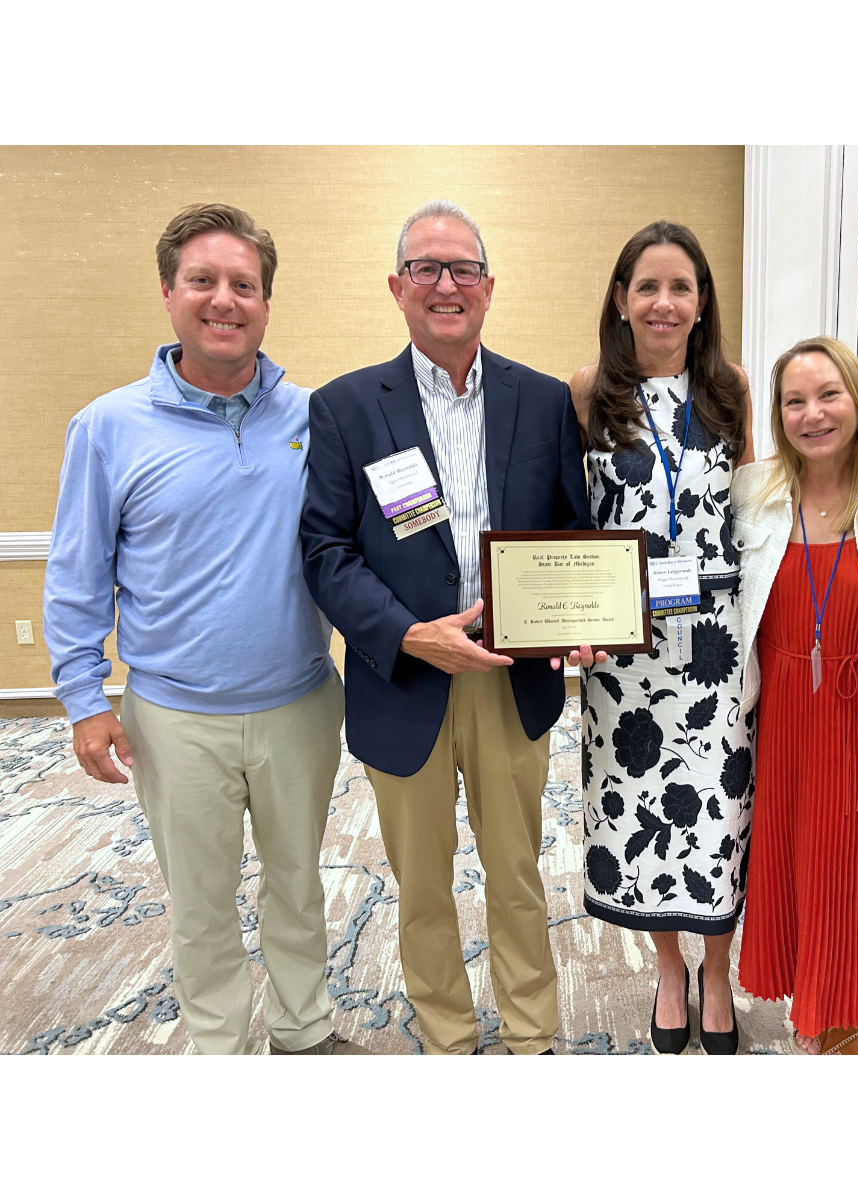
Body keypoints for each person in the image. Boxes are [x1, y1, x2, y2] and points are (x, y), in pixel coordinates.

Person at [42, 202, 362, 1056]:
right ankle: (219, 1048)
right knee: (201, 896)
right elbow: (76, 576)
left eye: (244, 285)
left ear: (266, 301)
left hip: (300, 702)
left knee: (299, 884)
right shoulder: (108, 427)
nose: (225, 300)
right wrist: (82, 698)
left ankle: (304, 1031)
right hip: (174, 717)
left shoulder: (316, 418)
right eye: (203, 281)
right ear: (168, 292)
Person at [300, 199, 593, 1056]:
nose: (445, 284)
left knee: (519, 876)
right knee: (421, 882)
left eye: (463, 268)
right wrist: (407, 634)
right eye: (425, 268)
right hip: (406, 680)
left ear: (489, 288)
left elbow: (573, 531)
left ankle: (533, 1033)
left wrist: (578, 611)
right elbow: (323, 550)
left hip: (511, 679)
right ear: (397, 288)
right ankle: (447, 1034)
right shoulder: (347, 406)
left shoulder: (540, 401)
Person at [568, 220, 754, 1054]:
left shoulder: (733, 389)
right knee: (640, 811)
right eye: (647, 286)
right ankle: (669, 970)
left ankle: (719, 971)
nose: (664, 302)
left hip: (717, 641)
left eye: (682, 287)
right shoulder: (585, 393)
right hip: (625, 649)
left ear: (702, 301)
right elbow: (571, 524)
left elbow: (752, 516)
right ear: (620, 298)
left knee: (719, 812)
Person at [733, 336, 858, 1055]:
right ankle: (817, 1016)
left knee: (851, 884)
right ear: (779, 416)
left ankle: (848, 1035)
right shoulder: (755, 491)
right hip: (781, 717)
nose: (813, 414)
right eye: (795, 401)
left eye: (828, 394)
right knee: (792, 873)